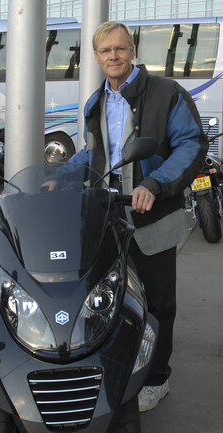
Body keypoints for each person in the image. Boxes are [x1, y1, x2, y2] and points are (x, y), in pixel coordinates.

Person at [67, 21, 208, 412]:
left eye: (120, 48)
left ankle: (157, 378)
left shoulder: (166, 93)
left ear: (132, 50)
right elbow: (96, 154)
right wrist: (58, 176)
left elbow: (190, 145)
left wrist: (155, 183)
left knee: (158, 304)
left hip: (152, 215)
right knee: (104, 300)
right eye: (105, 51)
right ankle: (115, 365)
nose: (113, 56)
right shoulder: (95, 102)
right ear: (96, 58)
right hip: (106, 217)